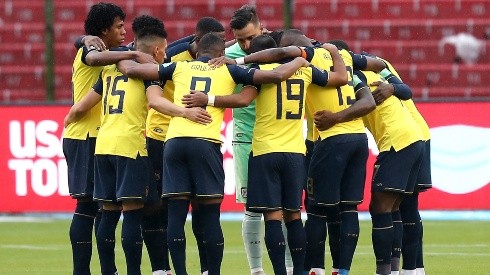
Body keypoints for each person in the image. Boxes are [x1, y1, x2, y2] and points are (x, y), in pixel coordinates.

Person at [117, 32, 309, 275]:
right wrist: (301, 58)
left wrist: (125, 53)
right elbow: (272, 78)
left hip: (174, 142)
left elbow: (132, 71)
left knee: (175, 215)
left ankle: (180, 273)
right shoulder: (228, 70)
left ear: (197, 52)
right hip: (205, 144)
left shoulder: (178, 67)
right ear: (221, 55)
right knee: (209, 215)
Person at [184, 34, 346, 275]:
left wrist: (208, 99)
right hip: (295, 152)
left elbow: (242, 100)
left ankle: (278, 271)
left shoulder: (257, 72)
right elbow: (341, 78)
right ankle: (299, 271)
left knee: (272, 216)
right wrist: (334, 52)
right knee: (293, 216)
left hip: (265, 151)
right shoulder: (304, 71)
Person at [64, 25, 211, 275]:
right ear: (155, 50)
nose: (165, 56)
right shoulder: (148, 75)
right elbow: (155, 101)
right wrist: (186, 112)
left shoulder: (109, 70)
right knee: (132, 213)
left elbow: (80, 108)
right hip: (130, 147)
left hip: (103, 147)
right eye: (163, 51)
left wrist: (68, 119)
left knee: (108, 214)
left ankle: (109, 271)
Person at [62, 3, 154, 274]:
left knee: (107, 208)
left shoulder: (112, 54)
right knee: (88, 205)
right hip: (85, 135)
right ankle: (82, 270)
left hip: (101, 138)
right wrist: (85, 40)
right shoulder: (90, 51)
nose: (124, 31)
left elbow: (159, 48)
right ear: (103, 30)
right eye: (118, 26)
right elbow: (91, 58)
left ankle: (108, 270)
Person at [144, 16, 226, 275]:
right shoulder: (174, 54)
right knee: (159, 206)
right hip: (161, 133)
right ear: (198, 41)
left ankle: (203, 269)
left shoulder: (219, 58)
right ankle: (161, 268)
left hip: (185, 136)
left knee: (200, 208)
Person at [225, 5, 295, 275]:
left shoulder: (281, 49)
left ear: (262, 28)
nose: (245, 45)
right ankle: (256, 270)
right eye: (239, 39)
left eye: (250, 38)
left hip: (281, 139)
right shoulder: (227, 56)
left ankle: (290, 268)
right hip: (246, 137)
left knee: (288, 208)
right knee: (252, 208)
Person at [352, 66, 424, 275]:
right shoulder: (373, 73)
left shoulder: (354, 78)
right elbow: (406, 90)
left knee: (380, 207)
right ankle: (399, 270)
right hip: (414, 138)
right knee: (393, 208)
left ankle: (384, 271)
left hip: (396, 142)